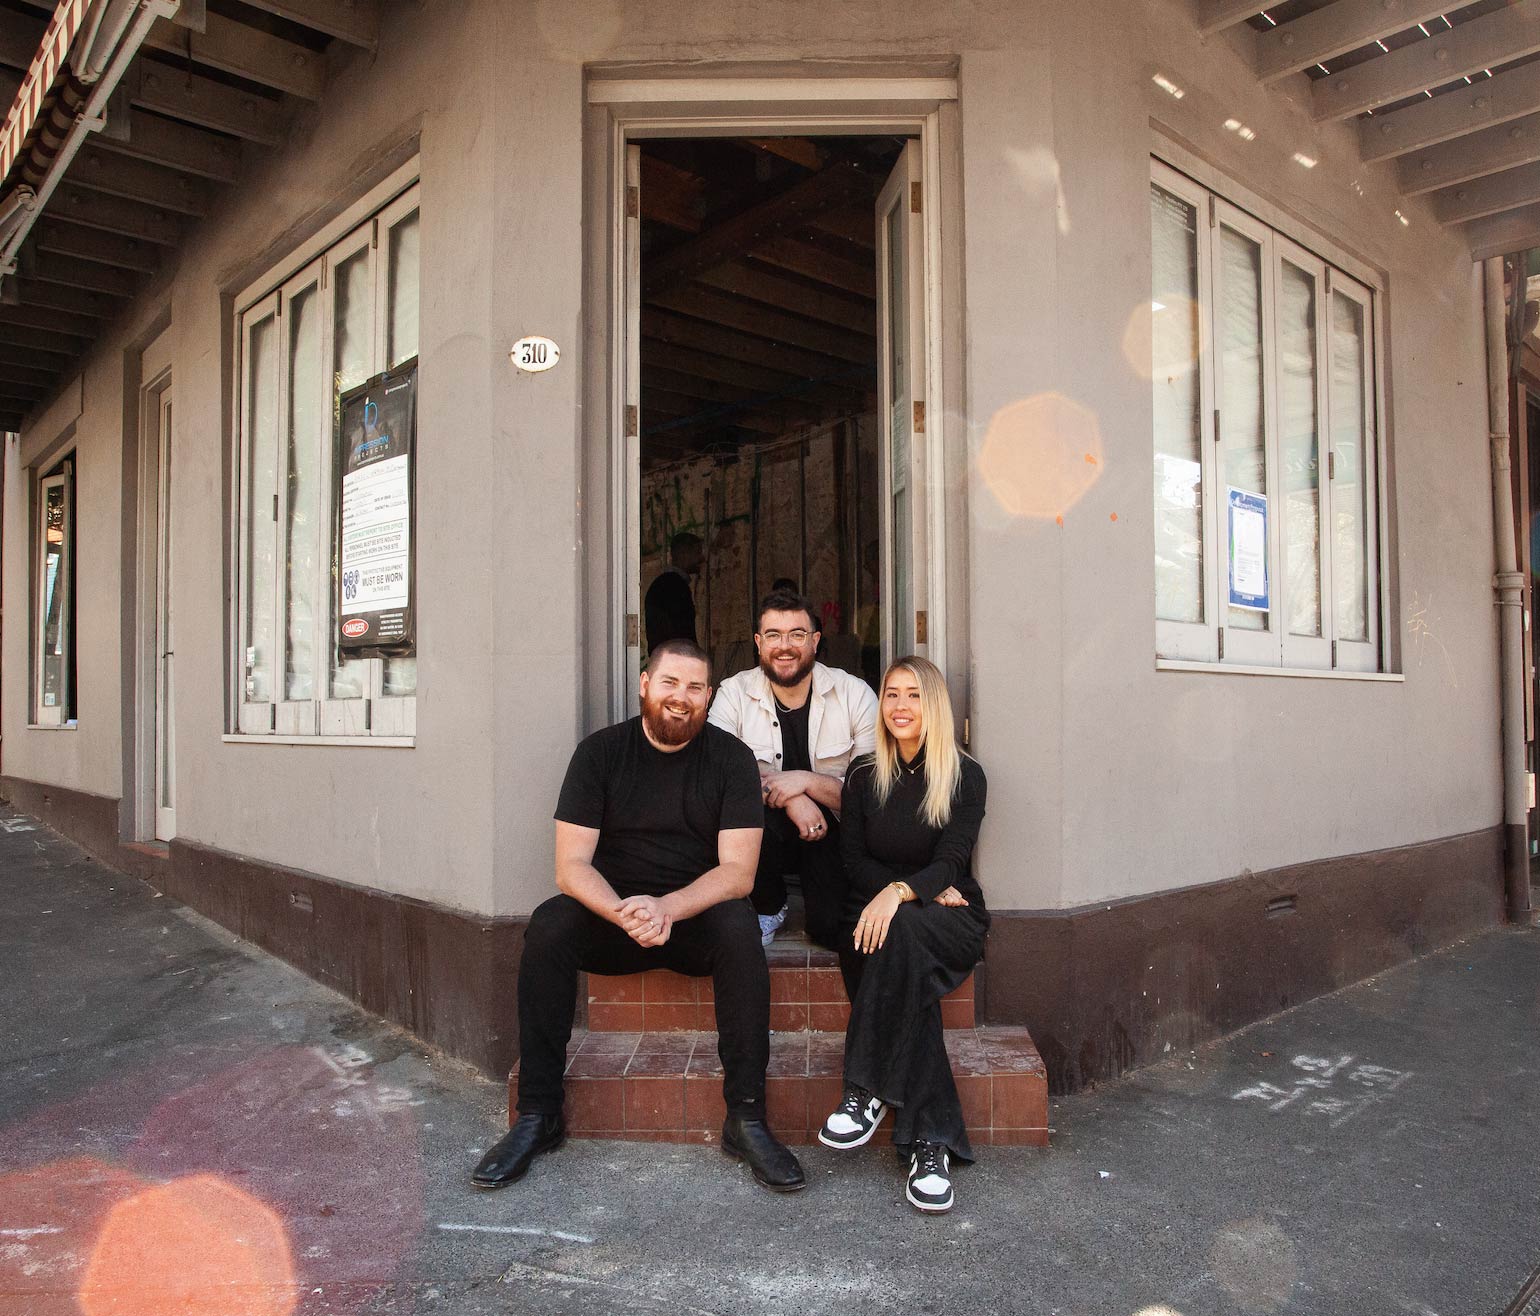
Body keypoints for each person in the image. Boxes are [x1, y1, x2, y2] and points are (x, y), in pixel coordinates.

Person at [470, 639, 805, 1194]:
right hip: (616, 920)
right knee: (551, 924)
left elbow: (738, 874)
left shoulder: (730, 759)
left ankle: (745, 1117)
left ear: (709, 696)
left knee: (739, 927)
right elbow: (571, 867)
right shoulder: (600, 754)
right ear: (645, 685)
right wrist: (627, 914)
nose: (682, 698)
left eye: (695, 688)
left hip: (692, 920)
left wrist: (666, 908)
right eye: (670, 683)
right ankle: (537, 1114)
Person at [816, 655, 987, 1215]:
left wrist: (902, 893)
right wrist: (905, 890)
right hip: (873, 916)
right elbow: (852, 861)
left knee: (907, 930)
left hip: (950, 917)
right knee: (905, 958)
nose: (901, 707)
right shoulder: (864, 776)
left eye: (914, 695)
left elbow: (953, 860)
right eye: (891, 695)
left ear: (932, 704)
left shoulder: (965, 776)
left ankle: (863, 1089)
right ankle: (930, 1144)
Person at [707, 588, 878, 951]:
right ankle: (768, 904)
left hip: (833, 830)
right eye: (773, 635)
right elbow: (716, 778)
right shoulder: (733, 694)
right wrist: (792, 799)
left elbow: (872, 796)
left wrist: (804, 781)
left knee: (830, 927)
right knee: (748, 817)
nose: (784, 646)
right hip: (763, 835)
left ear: (815, 641)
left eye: (797, 634)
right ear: (758, 642)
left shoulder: (855, 694)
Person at [644, 532, 703, 649]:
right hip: (676, 658)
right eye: (697, 552)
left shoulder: (664, 584)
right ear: (684, 553)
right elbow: (682, 629)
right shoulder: (675, 586)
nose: (701, 558)